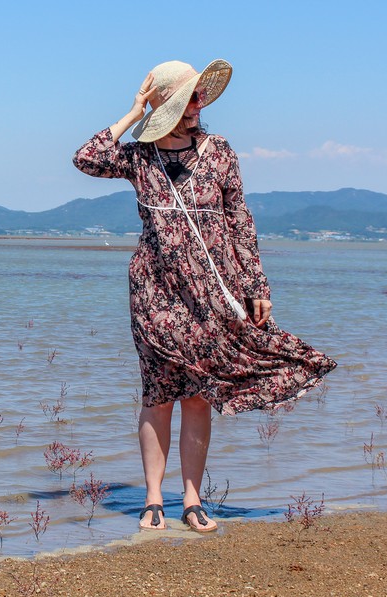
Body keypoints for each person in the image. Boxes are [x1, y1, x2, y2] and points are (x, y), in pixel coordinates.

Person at [73, 59, 336, 533]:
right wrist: (135, 111)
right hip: (155, 291)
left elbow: (240, 220)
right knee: (158, 394)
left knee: (197, 396)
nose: (197, 106)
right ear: (167, 106)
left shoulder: (219, 152)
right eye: (187, 98)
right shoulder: (137, 157)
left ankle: (192, 500)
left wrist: (257, 287)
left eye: (198, 97)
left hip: (214, 292)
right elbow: (86, 157)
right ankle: (153, 498)